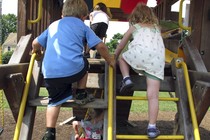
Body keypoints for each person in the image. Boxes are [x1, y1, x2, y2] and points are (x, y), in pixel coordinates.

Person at [32, 0, 115, 139]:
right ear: (84, 16)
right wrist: (110, 60)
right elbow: (100, 46)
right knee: (84, 61)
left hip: (49, 73)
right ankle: (81, 93)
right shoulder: (82, 26)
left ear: (62, 14)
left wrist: (38, 53)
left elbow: (35, 43)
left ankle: (49, 133)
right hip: (73, 71)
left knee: (54, 101)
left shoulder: (54, 25)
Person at [114, 3, 165, 139]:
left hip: (140, 56)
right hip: (157, 61)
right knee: (153, 96)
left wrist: (114, 56)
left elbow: (121, 45)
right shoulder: (157, 28)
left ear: (135, 16)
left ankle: (126, 79)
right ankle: (152, 128)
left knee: (122, 58)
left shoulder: (134, 27)